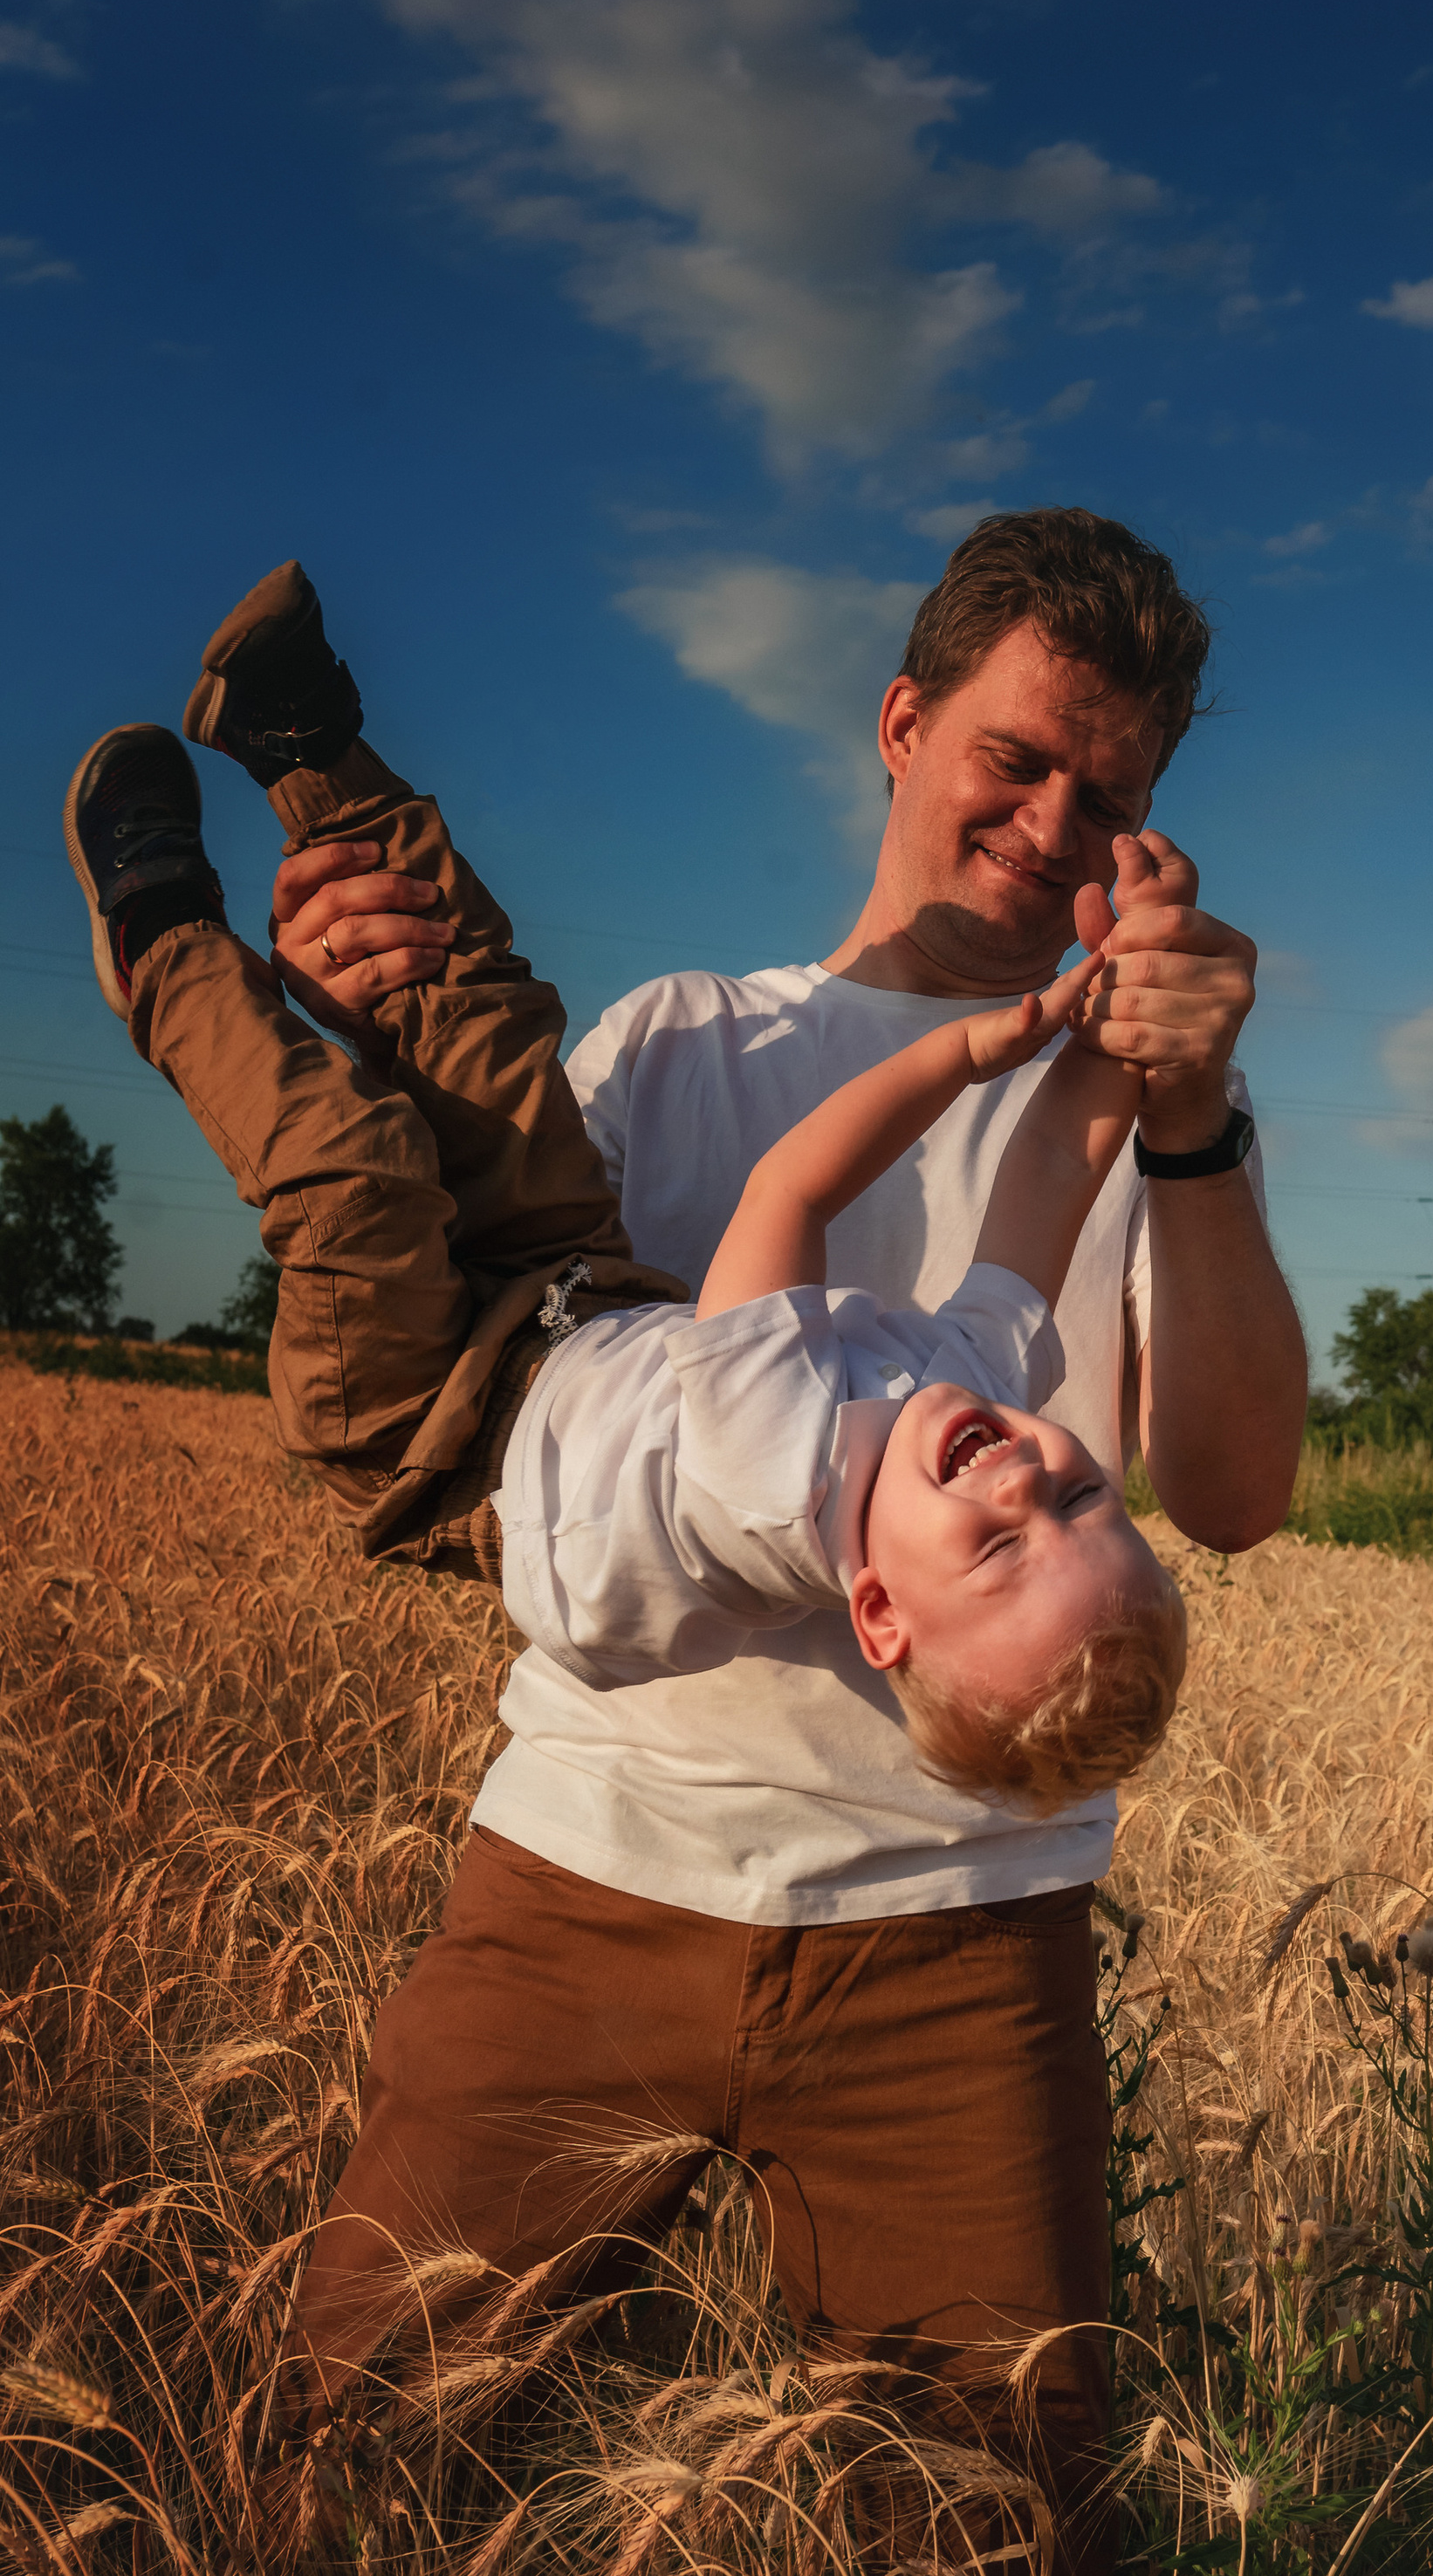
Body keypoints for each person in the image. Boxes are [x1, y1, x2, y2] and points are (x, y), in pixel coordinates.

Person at [152, 515, 1305, 2576]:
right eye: (1021, 757)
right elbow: (501, 1260)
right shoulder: (686, 1043)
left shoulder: (1135, 1093)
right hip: (591, 1873)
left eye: (1114, 803)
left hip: (960, 1935)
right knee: (350, 2483)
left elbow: (1232, 1494)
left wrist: (1194, 1113)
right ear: (900, 722)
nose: (1059, 826)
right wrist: (364, 996)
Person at [68, 666, 1185, 1815]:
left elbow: (790, 1193)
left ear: (880, 1616)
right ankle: (316, 755)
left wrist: (974, 1052)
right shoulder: (979, 1389)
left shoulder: (778, 1474)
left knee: (358, 1174)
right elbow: (1052, 1169)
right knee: (494, 1044)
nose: (1021, 1482)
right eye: (1080, 1502)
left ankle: (162, 942)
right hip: (580, 1312)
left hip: (430, 1433)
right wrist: (1118, 998)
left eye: (998, 1550)